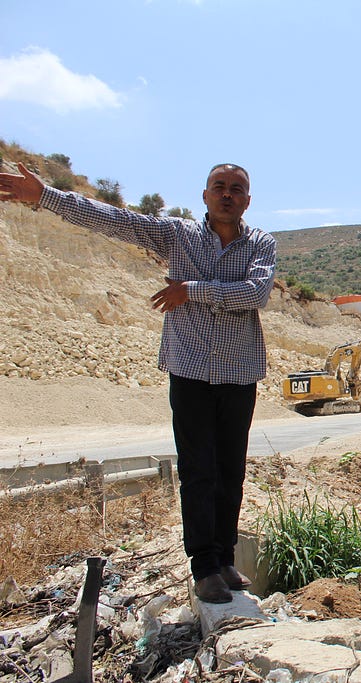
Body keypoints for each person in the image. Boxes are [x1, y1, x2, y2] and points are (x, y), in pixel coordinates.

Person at [0, 161, 277, 604]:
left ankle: (225, 560)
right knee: (198, 470)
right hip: (189, 367)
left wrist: (191, 289)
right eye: (219, 186)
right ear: (204, 195)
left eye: (237, 188)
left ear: (248, 199)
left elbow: (256, 294)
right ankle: (204, 567)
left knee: (231, 471)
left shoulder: (261, 243)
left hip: (239, 371)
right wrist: (46, 196)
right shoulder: (177, 235)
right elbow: (115, 220)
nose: (228, 194)